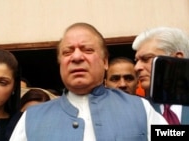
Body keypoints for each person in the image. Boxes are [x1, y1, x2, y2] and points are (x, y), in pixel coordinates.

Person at [9, 22, 167, 141]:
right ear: (60, 64)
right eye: (67, 51)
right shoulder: (31, 119)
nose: (76, 57)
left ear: (105, 62)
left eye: (88, 50)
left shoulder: (142, 109)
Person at [132, 26, 189, 124]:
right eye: (136, 61)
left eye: (146, 59)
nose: (136, 67)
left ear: (177, 59)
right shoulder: (137, 109)